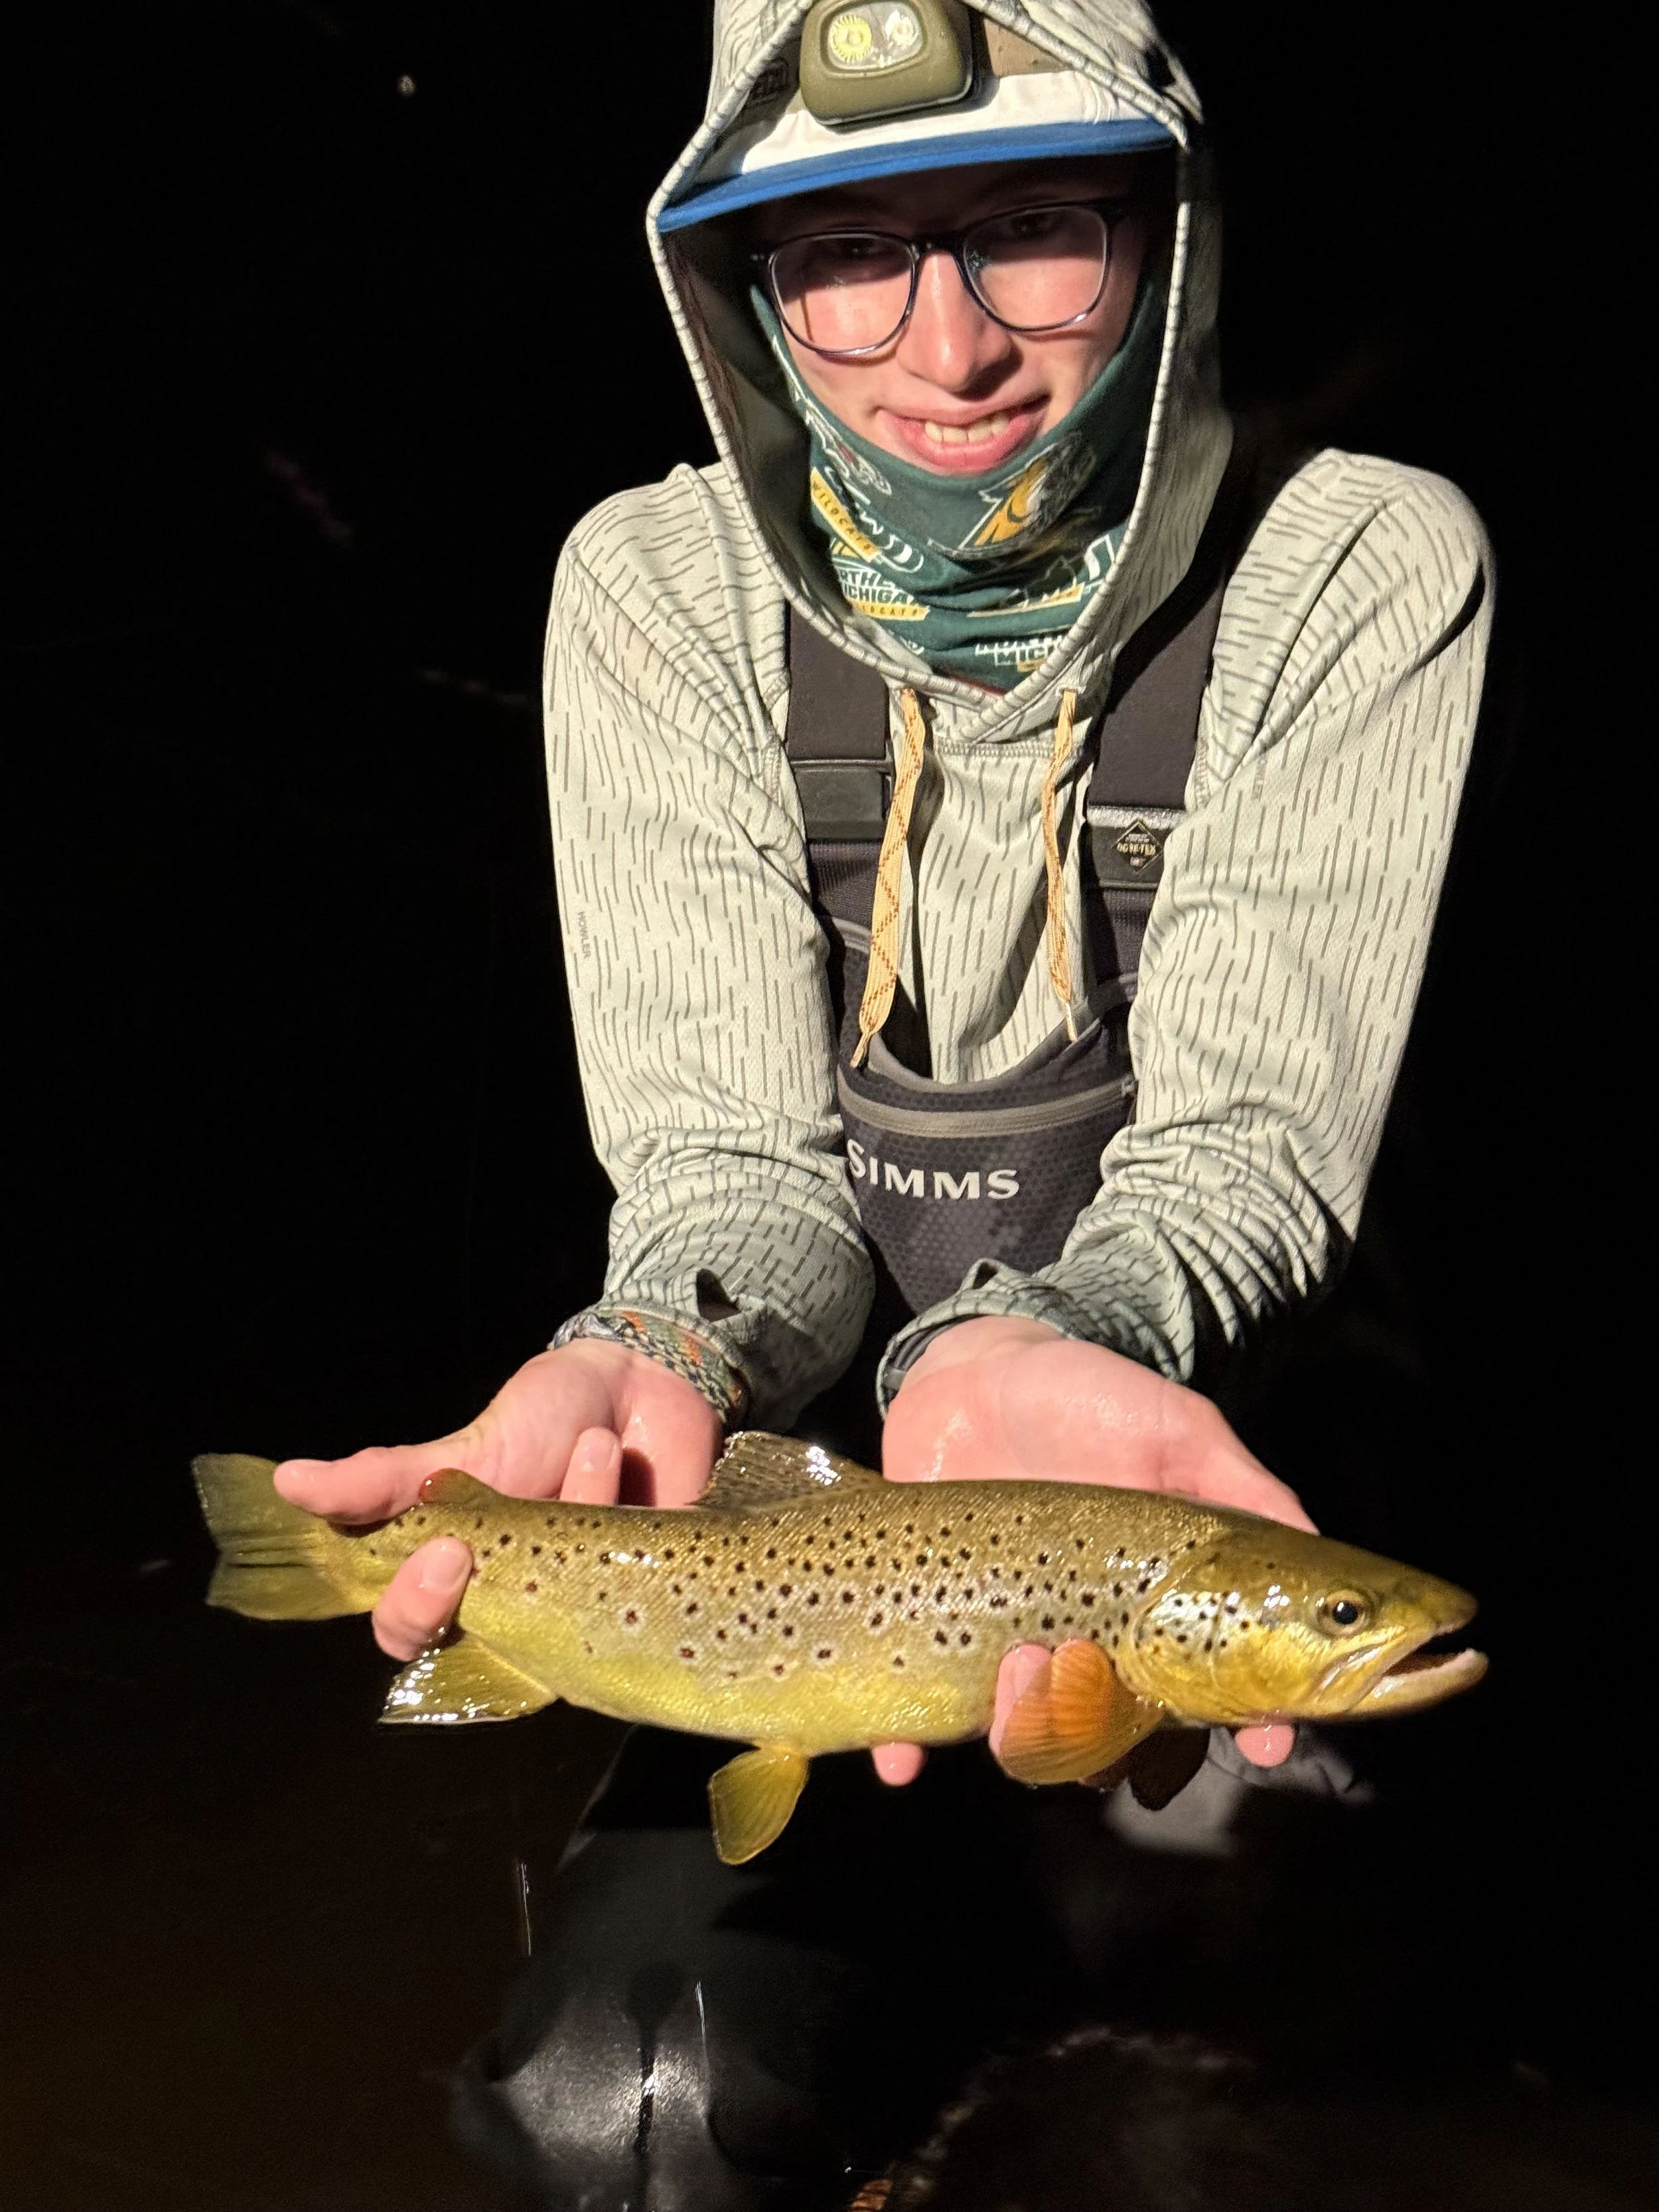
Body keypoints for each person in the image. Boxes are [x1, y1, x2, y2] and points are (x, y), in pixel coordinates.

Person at [275, 1, 1490, 2199]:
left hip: (1226, 1454)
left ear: (1163, 234)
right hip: (806, 1537)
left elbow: (1243, 1148)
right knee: (621, 2110)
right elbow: (737, 1169)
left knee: (1256, 2097)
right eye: (843, 252)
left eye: (1033, 230)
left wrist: (1064, 1333)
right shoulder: (651, 592)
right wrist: (651, 1342)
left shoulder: (1357, 563)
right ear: (737, 286)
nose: (945, 352)